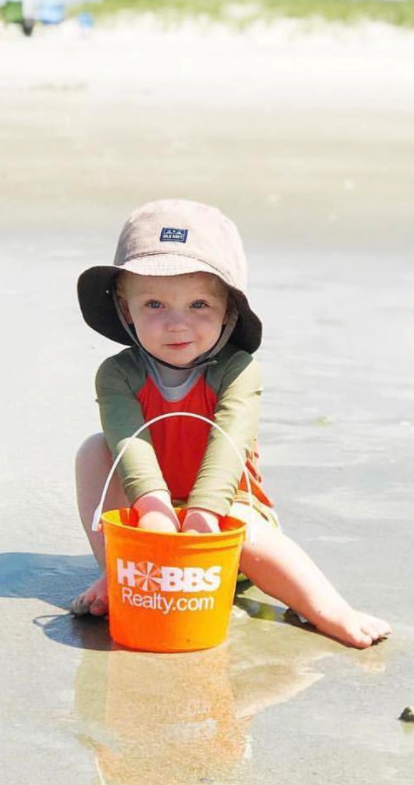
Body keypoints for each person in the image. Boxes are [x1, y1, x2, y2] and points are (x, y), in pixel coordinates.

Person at [71, 199, 391, 648]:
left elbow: (229, 447)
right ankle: (118, 573)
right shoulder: (117, 373)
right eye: (155, 304)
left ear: (230, 312)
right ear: (126, 311)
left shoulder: (237, 371)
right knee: (95, 450)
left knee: (245, 526)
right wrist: (156, 515)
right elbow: (131, 445)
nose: (176, 323)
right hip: (149, 518)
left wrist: (202, 514)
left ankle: (329, 609)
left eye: (199, 303)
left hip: (226, 509)